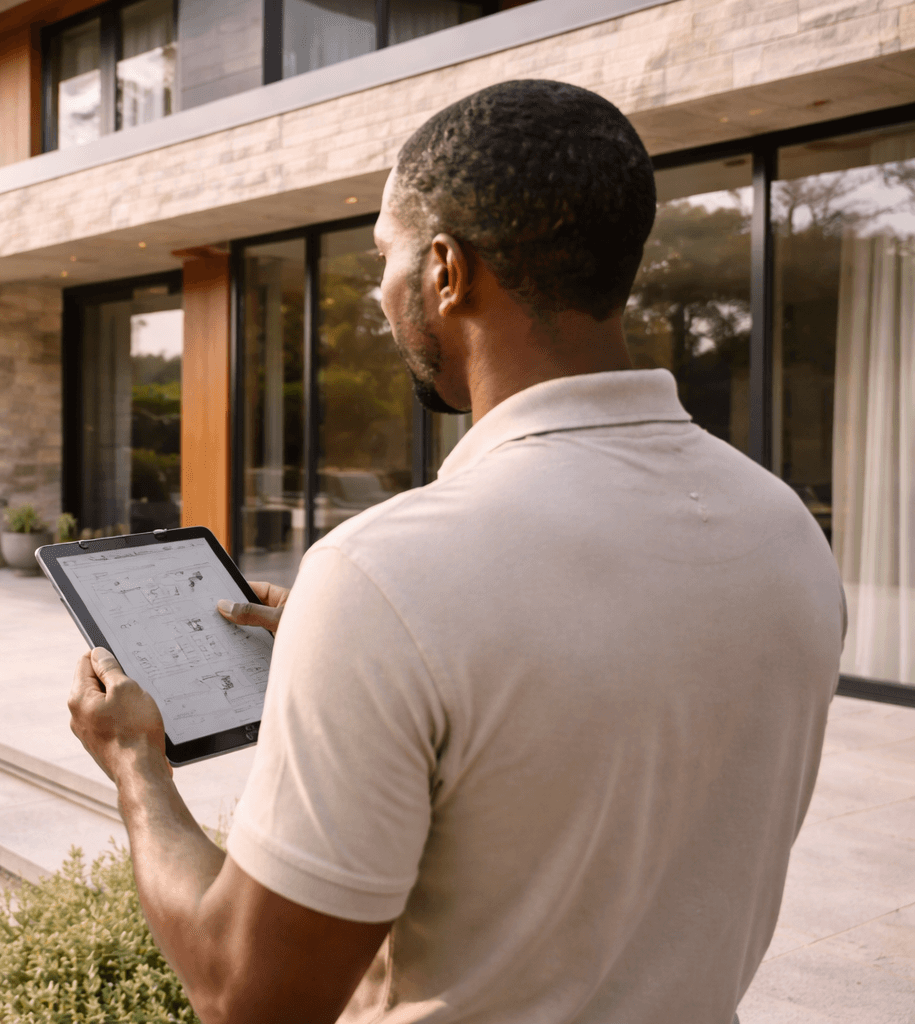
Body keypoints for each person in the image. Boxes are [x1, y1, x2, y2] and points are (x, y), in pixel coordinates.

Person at [67, 79, 844, 1024]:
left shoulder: (385, 576)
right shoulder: (784, 528)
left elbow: (247, 996)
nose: (377, 290)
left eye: (384, 256)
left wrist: (137, 763)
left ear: (445, 270)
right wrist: (352, 648)